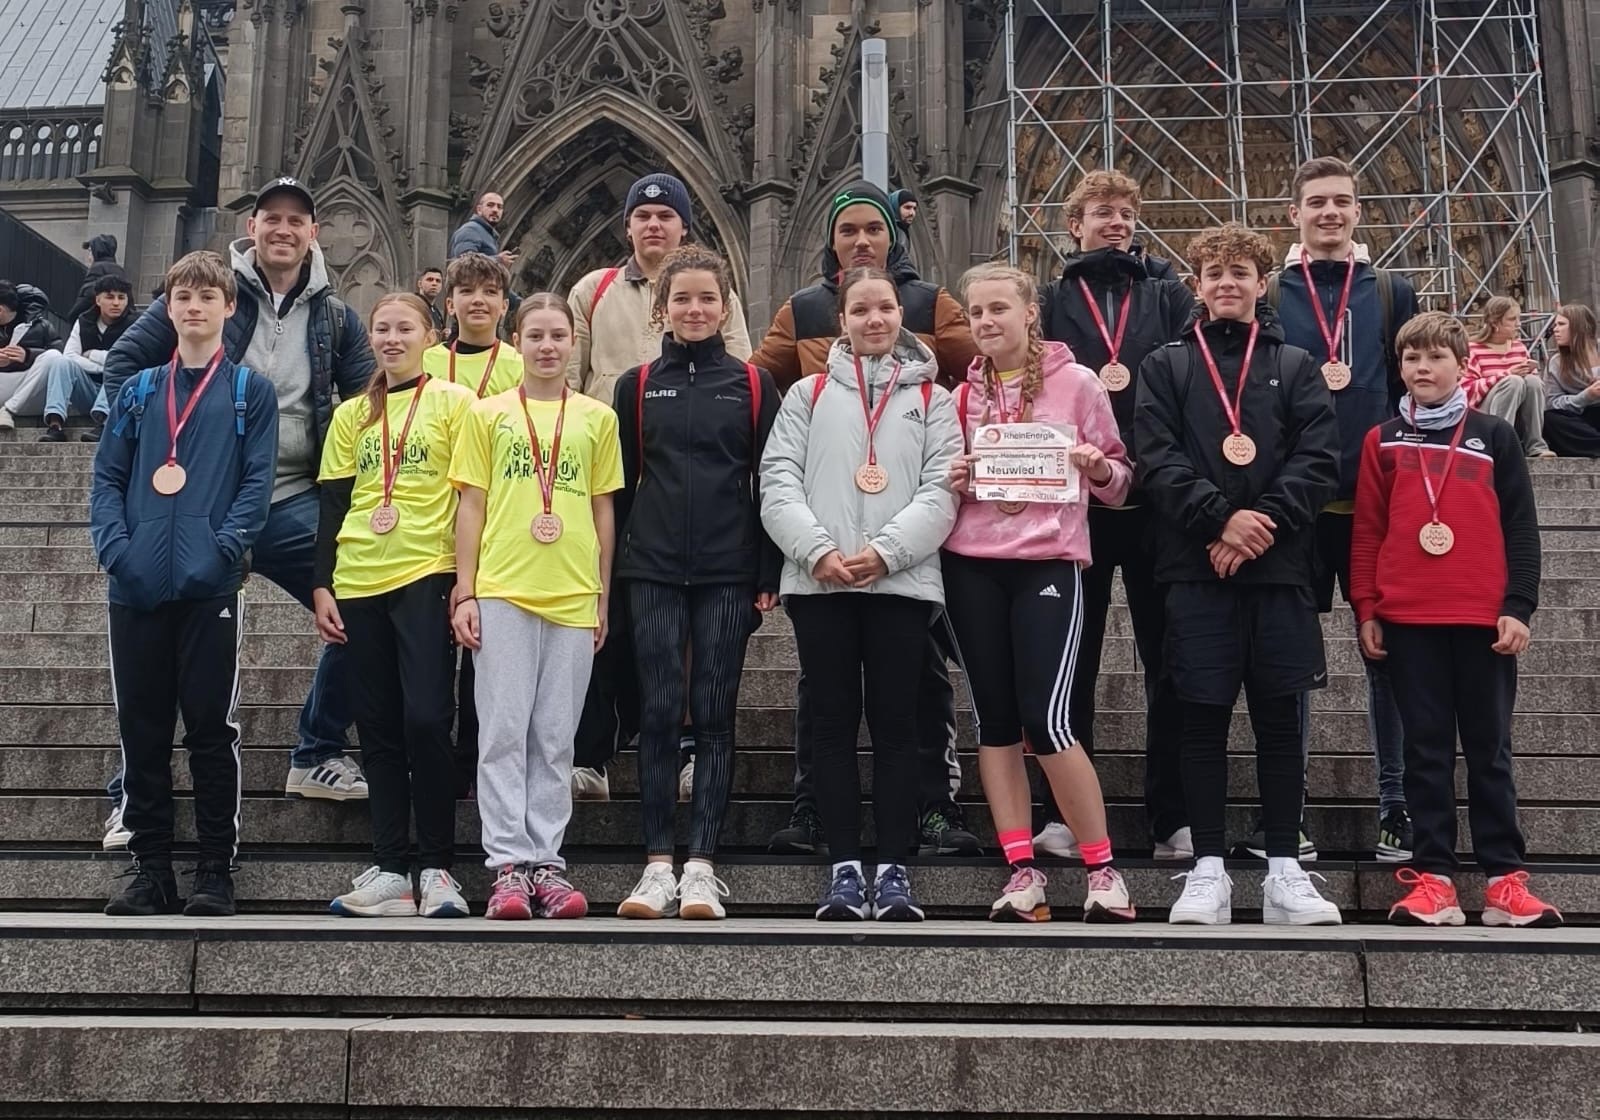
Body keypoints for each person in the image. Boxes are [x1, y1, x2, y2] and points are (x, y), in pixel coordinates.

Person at [97, 176, 375, 839]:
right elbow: (122, 368)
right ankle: (133, 799)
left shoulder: (335, 316)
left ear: (313, 233)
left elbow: (373, 403)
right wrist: (150, 450)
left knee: (365, 604)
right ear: (251, 228)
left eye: (295, 220)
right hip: (195, 506)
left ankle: (317, 751)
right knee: (158, 654)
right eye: (269, 218)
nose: (282, 229)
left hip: (286, 498)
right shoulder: (212, 292)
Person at [753, 179, 981, 859]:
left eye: (872, 230)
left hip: (903, 549)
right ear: (832, 240)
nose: (860, 239)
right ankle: (815, 810)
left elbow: (979, 367)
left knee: (922, 687)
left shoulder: (930, 302)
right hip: (823, 541)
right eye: (847, 229)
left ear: (892, 237)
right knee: (819, 700)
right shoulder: (801, 312)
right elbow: (754, 380)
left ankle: (930, 808)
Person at [1135, 223, 1342, 926]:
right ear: (1196, 285)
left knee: (1280, 719)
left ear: (1262, 283)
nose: (1227, 282)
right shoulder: (1166, 364)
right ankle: (1209, 869)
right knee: (1201, 718)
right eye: (1214, 272)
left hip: (1279, 566)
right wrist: (1220, 520)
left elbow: (1319, 457)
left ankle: (1284, 867)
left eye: (1241, 272)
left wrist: (1259, 527)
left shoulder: (1297, 363)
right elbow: (1156, 458)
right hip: (1195, 567)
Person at [1351, 311, 1560, 928]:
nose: (1422, 368)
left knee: (1490, 750)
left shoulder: (1493, 436)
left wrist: (1518, 605)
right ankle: (1435, 878)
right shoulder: (1381, 439)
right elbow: (1367, 533)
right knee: (1425, 751)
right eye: (1412, 358)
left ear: (1461, 365)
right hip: (1409, 618)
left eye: (1436, 358)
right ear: (1400, 366)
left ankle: (1503, 879)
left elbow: (1521, 528)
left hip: (1482, 619)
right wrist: (1367, 606)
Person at [944, 264, 1136, 923]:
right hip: (971, 565)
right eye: (976, 312)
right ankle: (1022, 870)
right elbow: (943, 488)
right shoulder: (960, 397)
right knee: (994, 722)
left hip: (1047, 564)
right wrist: (956, 476)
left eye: (999, 307)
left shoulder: (1077, 383)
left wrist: (1097, 466)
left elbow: (1120, 482)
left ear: (1030, 312)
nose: (986, 321)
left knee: (1046, 719)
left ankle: (1103, 871)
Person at [90, 251, 278, 917]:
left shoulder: (250, 392)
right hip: (135, 585)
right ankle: (150, 871)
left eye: (207, 297)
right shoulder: (139, 390)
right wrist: (117, 550)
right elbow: (108, 478)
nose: (194, 307)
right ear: (168, 309)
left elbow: (257, 486)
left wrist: (222, 550)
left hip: (210, 586)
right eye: (182, 297)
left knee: (208, 729)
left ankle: (213, 870)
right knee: (141, 730)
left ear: (229, 309)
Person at [565, 172, 754, 801]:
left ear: (682, 227)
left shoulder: (710, 294)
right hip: (605, 472)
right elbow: (569, 379)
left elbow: (742, 375)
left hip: (692, 484)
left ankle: (689, 747)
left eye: (665, 216)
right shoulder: (593, 290)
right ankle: (594, 751)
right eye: (642, 215)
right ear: (627, 226)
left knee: (691, 638)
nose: (653, 225)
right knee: (608, 619)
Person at [610, 246, 782, 920]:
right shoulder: (637, 384)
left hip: (727, 568)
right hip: (650, 566)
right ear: (662, 307)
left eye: (708, 298)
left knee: (713, 714)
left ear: (726, 306)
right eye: (682, 299)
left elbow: (770, 481)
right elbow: (619, 488)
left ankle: (703, 865)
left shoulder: (755, 384)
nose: (695, 309)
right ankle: (657, 863)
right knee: (657, 714)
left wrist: (768, 571)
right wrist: (612, 574)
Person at [1036, 169, 1195, 863]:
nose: (1117, 223)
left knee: (1172, 664)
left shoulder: (1167, 294)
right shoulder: (1049, 299)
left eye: (1127, 213)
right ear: (1075, 225)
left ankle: (1174, 818)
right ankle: (1068, 816)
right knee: (1073, 662)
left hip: (1157, 502)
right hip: (1078, 507)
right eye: (1103, 212)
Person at [450, 292, 622, 921]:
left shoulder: (596, 419)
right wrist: (465, 589)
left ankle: (547, 862)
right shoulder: (488, 414)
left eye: (557, 336)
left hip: (574, 592)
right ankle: (507, 869)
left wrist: (603, 594)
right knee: (501, 731)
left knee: (554, 737)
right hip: (503, 588)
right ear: (516, 342)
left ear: (572, 343)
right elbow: (470, 503)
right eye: (534, 336)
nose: (546, 347)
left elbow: (603, 509)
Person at [1267, 156, 1418, 863]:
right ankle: (1288, 810)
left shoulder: (1393, 291)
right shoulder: (1271, 292)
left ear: (1358, 212)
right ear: (1294, 213)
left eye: (1342, 202)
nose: (1330, 213)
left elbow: (1412, 390)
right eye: (1316, 202)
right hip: (1295, 505)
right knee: (1291, 664)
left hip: (1373, 503)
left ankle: (1397, 805)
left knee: (1385, 659)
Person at [313, 294, 476, 919]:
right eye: (381, 328)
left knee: (430, 720)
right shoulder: (352, 412)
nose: (391, 338)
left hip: (426, 574)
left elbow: (470, 499)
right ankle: (389, 868)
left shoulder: (457, 403)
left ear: (430, 336)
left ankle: (436, 867)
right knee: (377, 727)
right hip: (358, 580)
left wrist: (467, 582)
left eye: (404, 327)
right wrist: (321, 584)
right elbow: (334, 504)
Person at [420, 251, 527, 794]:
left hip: (503, 523)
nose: (477, 300)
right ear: (450, 302)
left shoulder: (518, 364)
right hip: (435, 521)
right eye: (467, 291)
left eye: (489, 291)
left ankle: (476, 761)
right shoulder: (428, 362)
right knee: (436, 656)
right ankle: (439, 762)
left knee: (488, 657)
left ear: (504, 304)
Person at [30, 275, 135, 444]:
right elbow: (70, 356)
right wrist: (103, 365)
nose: (116, 303)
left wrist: (93, 354)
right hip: (88, 390)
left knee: (119, 369)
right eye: (110, 297)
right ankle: (55, 425)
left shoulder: (135, 324)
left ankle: (105, 424)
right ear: (98, 300)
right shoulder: (84, 321)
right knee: (60, 362)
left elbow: (128, 360)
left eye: (121, 298)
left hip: (118, 393)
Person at [1465, 297, 1552, 458]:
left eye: (1518, 318)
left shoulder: (1518, 347)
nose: (1518, 324)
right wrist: (1505, 375)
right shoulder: (1473, 349)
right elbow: (1467, 391)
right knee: (1513, 381)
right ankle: (1499, 443)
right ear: (1495, 323)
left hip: (1518, 415)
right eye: (1512, 319)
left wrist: (1529, 373)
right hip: (1484, 415)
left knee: (1532, 381)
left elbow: (1532, 390)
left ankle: (1536, 445)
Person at [0, 281, 63, 430]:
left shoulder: (43, 327)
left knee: (53, 356)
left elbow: (62, 360)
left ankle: (8, 410)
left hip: (31, 393)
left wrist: (28, 356)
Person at [1541, 303, 1600, 457]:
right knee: (1550, 420)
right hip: (1580, 419)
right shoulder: (1556, 363)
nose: (1555, 329)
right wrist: (1587, 396)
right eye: (1555, 325)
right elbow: (1552, 403)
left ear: (1580, 327)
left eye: (1561, 324)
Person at [66, 234, 131, 322]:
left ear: (96, 252)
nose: (89, 257)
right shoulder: (120, 271)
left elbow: (87, 298)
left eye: (90, 251)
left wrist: (72, 316)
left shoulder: (97, 269)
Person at [449, 190, 517, 272]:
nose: (495, 210)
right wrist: (498, 260)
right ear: (479, 210)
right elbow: (464, 263)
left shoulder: (488, 234)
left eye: (499, 207)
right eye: (490, 205)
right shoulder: (470, 230)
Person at [416, 267, 446, 333]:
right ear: (420, 284)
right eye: (430, 280)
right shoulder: (413, 306)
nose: (434, 283)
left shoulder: (436, 311)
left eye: (438, 281)